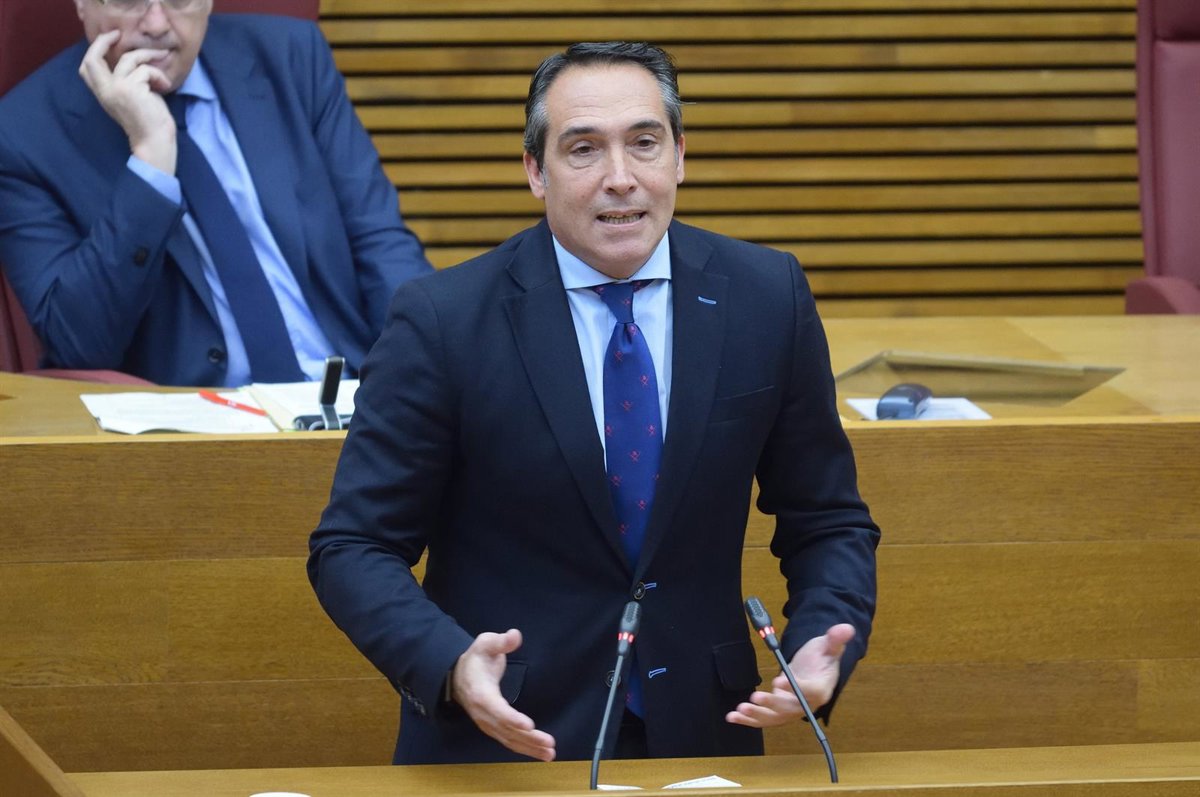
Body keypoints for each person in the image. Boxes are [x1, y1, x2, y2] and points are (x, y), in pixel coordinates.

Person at [308, 41, 879, 765]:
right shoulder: (442, 321)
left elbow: (827, 520)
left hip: (704, 735)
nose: (620, 178)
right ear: (535, 171)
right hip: (506, 740)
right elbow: (353, 546)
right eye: (583, 149)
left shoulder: (767, 297)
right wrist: (449, 662)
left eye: (644, 143)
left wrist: (822, 639)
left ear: (679, 156)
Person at [0, 0, 431, 386]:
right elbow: (78, 345)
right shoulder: (22, 134)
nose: (156, 23)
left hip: (354, 399)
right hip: (189, 428)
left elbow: (380, 241)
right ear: (81, 4)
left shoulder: (290, 56)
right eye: (129, 0)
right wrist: (150, 160)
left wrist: (426, 372)